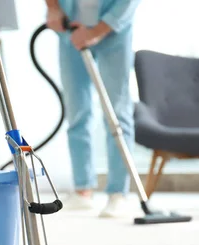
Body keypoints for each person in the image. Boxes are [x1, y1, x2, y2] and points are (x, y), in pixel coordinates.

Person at [45, 0, 141, 217]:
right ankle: (83, 190)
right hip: (71, 31)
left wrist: (97, 31)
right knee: (77, 112)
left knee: (116, 112)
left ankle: (118, 194)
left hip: (114, 32)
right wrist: (53, 7)